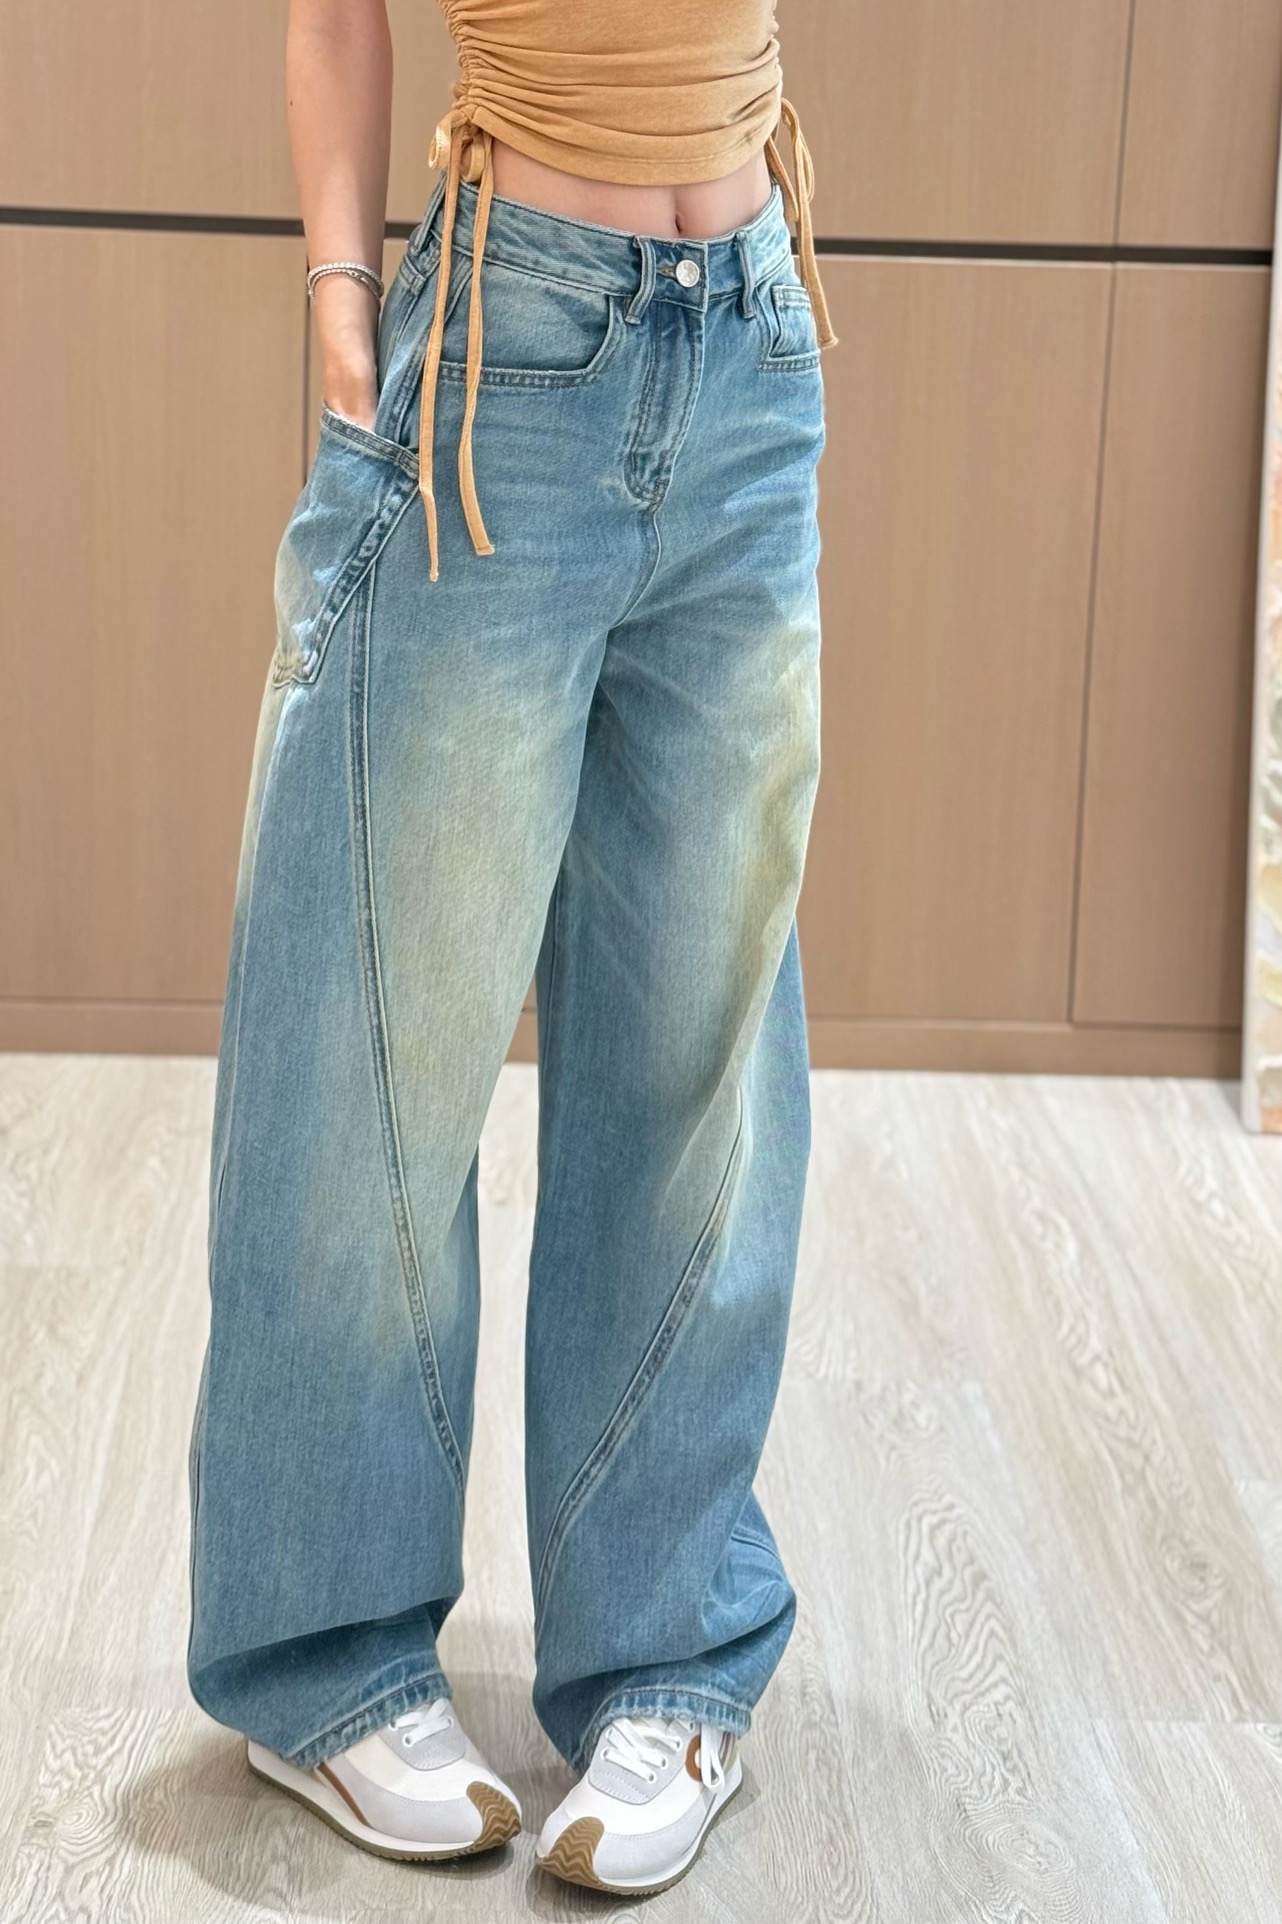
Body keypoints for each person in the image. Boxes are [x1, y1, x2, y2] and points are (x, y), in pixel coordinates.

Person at [184, 0, 836, 1898]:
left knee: (697, 1052)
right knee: (374, 1042)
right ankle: (323, 1655)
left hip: (754, 338)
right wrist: (339, 301)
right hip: (508, 351)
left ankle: (666, 1654)